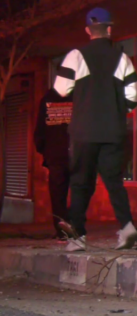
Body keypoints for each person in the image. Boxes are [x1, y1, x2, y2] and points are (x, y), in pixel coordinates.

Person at [54, 7, 137, 251]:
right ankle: (126, 226)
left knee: (81, 182)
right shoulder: (121, 58)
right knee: (114, 181)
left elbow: (61, 89)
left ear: (87, 30)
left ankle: (78, 236)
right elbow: (133, 96)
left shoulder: (76, 55)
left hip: (84, 130)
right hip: (113, 130)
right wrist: (115, 109)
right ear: (110, 29)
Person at [34, 88, 73, 237]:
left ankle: (62, 229)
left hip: (55, 154)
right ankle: (74, 225)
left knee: (58, 194)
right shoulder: (80, 95)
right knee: (80, 190)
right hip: (76, 152)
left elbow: (40, 130)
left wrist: (45, 150)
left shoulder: (48, 97)